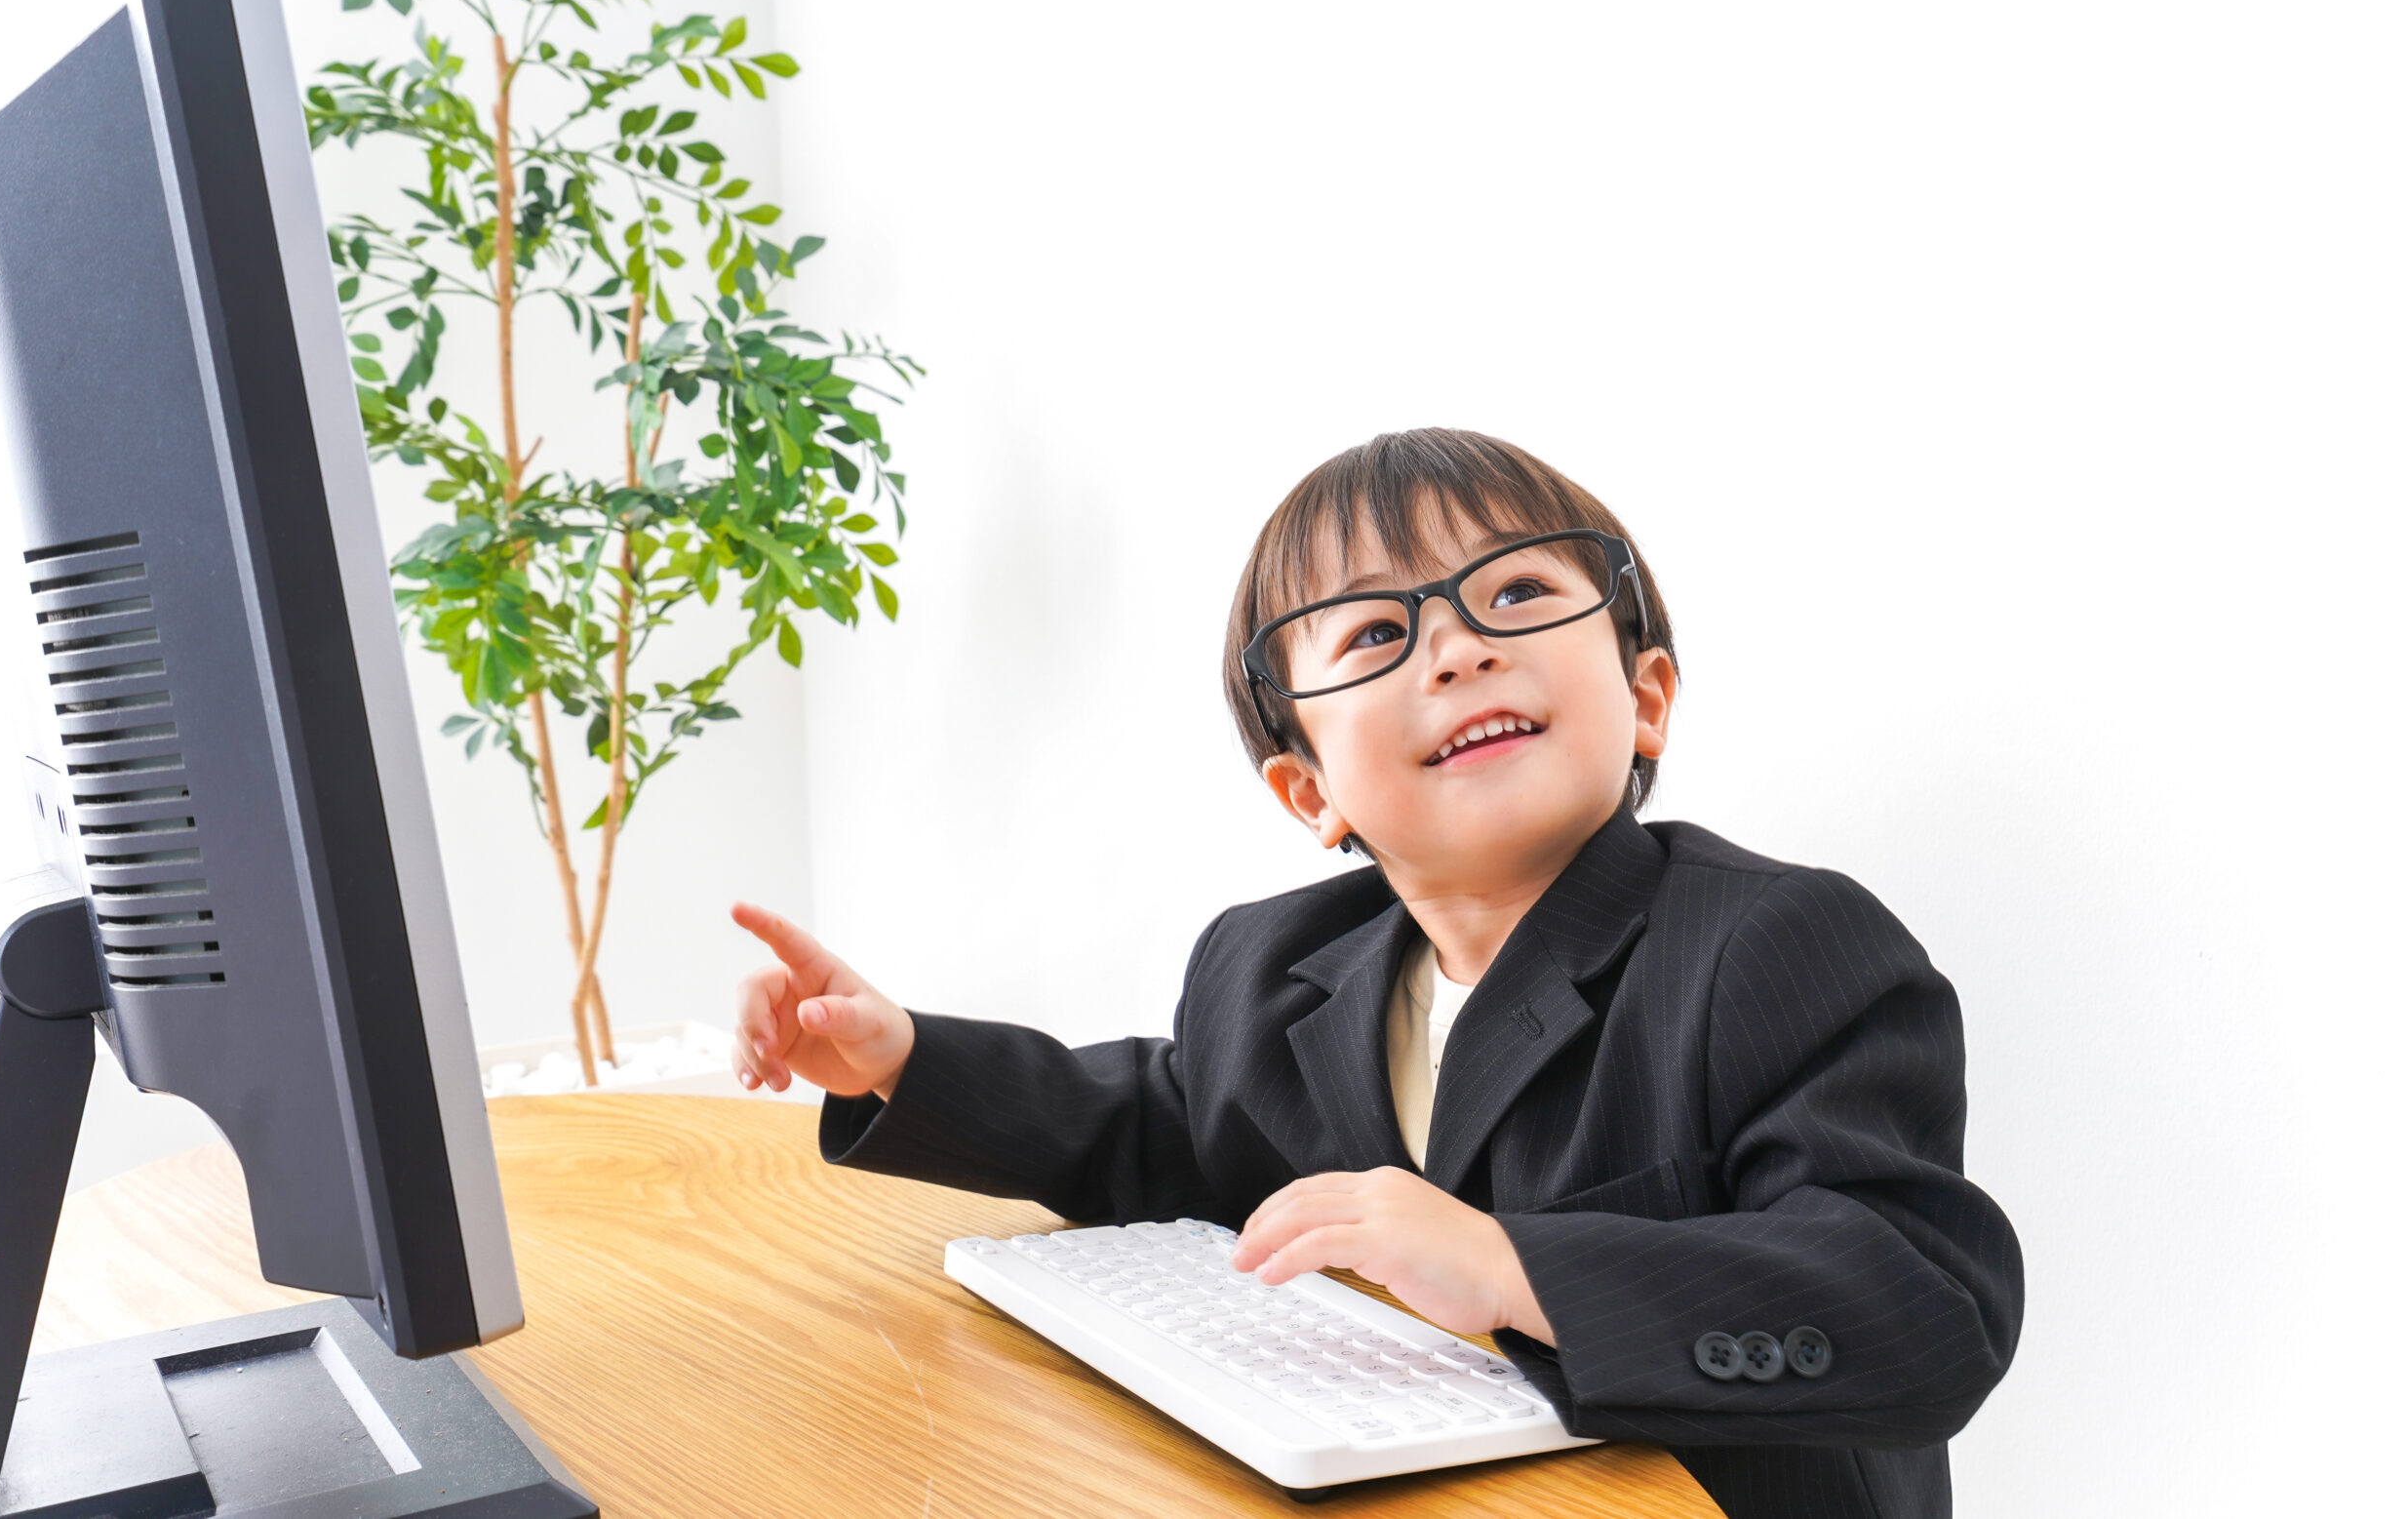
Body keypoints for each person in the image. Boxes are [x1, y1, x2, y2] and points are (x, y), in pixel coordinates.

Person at [730, 427, 2023, 1519]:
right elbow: (1156, 1127)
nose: (1457, 649)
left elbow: (1920, 1309)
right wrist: (905, 1061)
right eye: (1373, 634)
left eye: (1517, 593)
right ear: (1311, 793)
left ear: (1646, 698)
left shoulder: (1779, 945)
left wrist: (1516, 1268)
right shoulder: (1271, 965)